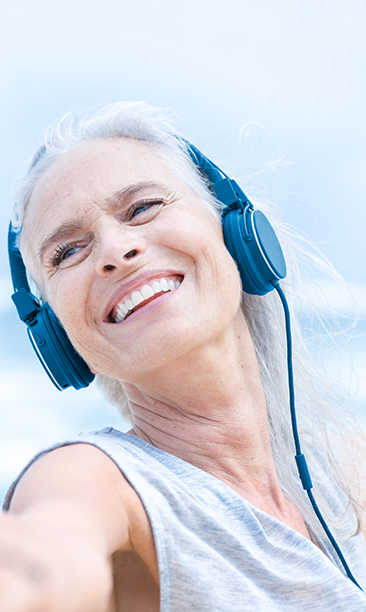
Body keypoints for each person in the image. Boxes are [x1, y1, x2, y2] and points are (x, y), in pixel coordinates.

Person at [1, 101, 366, 611]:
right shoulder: (93, 478)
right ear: (57, 335)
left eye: (142, 208)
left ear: (237, 234)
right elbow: (44, 557)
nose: (114, 250)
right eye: (67, 252)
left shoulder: (343, 464)